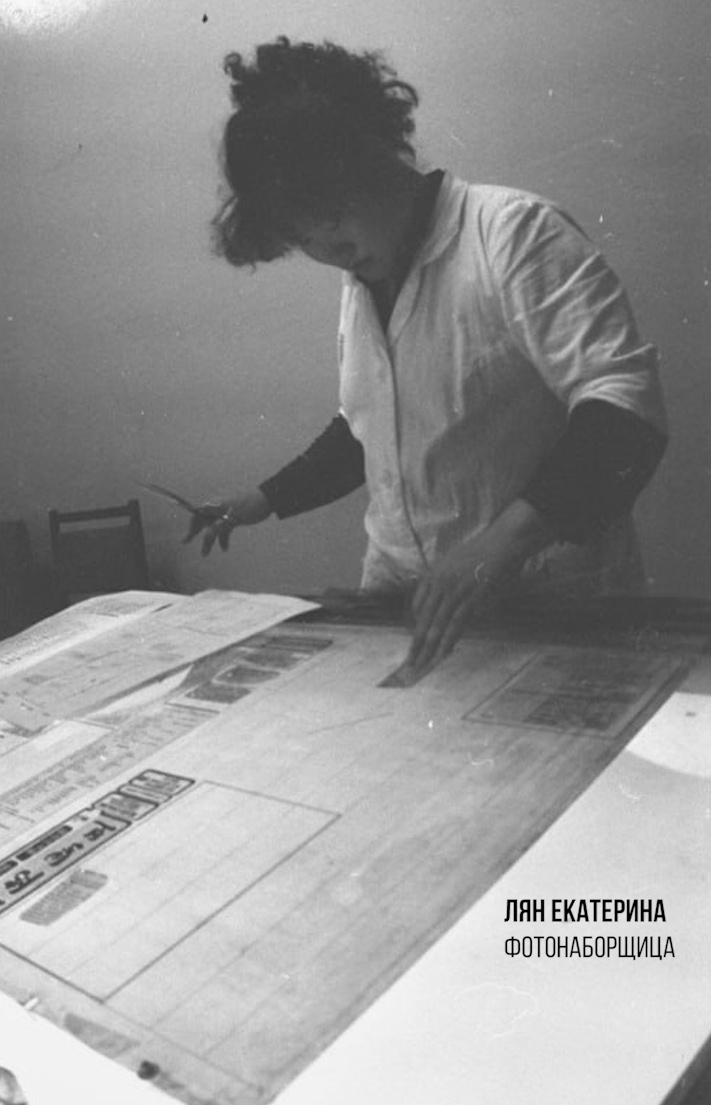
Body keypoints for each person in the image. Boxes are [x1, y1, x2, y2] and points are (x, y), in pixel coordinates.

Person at [186, 36, 668, 676]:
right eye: (304, 236)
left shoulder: (514, 233)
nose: (328, 249)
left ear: (372, 158)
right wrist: (262, 499)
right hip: (406, 604)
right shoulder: (363, 275)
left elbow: (627, 415)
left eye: (333, 215)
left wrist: (496, 547)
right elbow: (371, 428)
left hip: (550, 604)